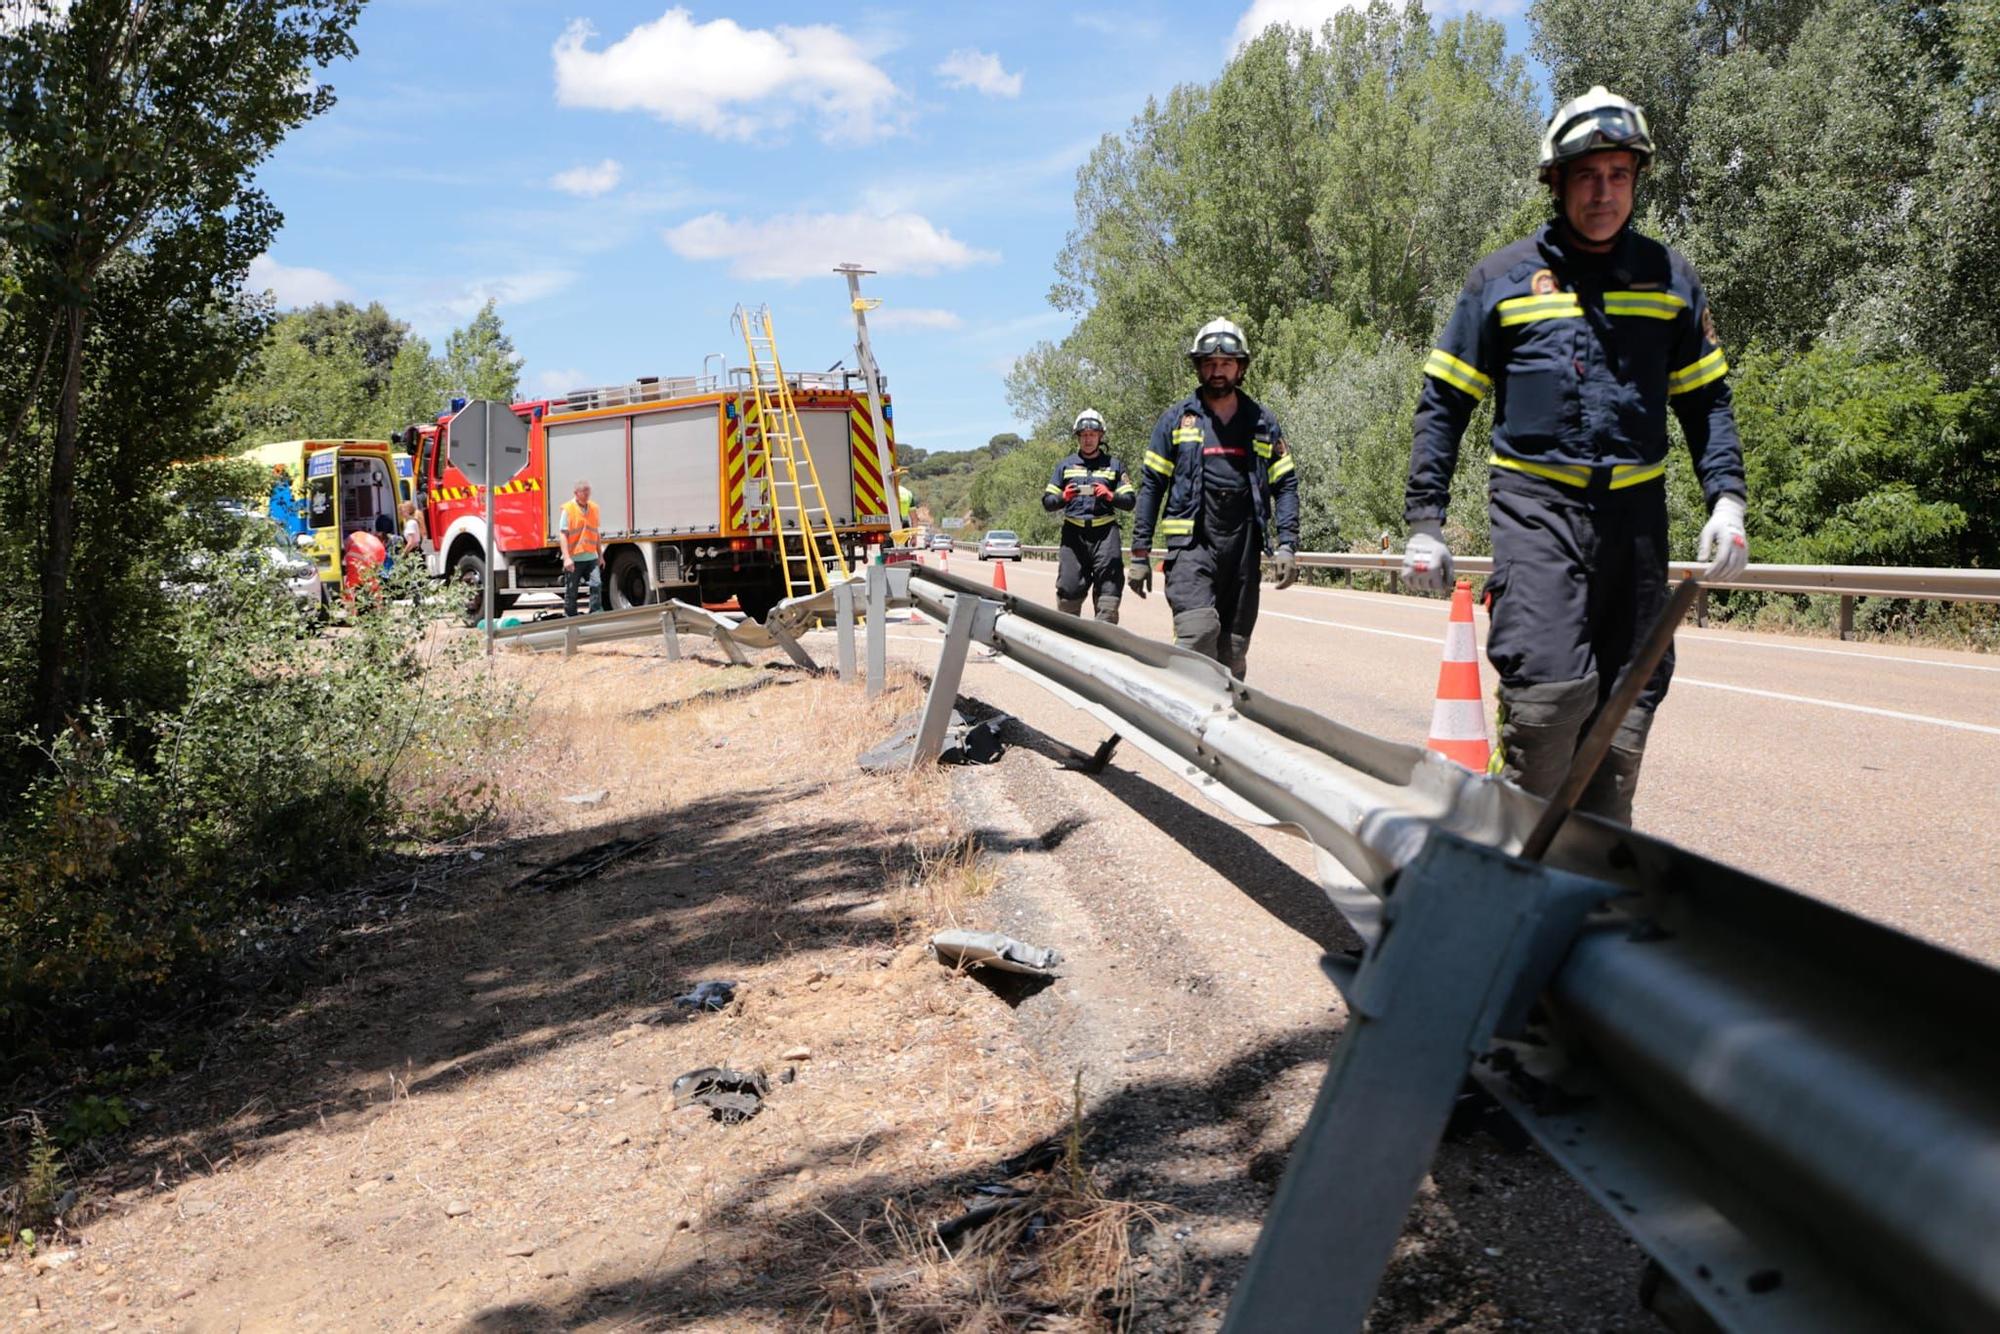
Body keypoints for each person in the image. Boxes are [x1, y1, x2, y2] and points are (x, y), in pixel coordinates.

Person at [1401, 85, 1749, 824]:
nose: (1604, 192)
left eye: (1619, 174)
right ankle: (1513, 849)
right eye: (1587, 175)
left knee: (1629, 701)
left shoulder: (1670, 280)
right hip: (1537, 508)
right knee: (1548, 695)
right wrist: (1425, 521)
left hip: (1636, 517)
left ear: (1637, 179)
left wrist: (1727, 499)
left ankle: (1595, 865)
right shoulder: (1500, 280)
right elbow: (1444, 403)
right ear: (1555, 182)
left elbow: (1706, 402)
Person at [1127, 318, 1300, 678]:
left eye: (1225, 363)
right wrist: (1140, 553)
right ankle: (1178, 708)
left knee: (1233, 655)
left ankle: (1220, 714)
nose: (1217, 371)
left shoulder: (1262, 422)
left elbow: (1285, 485)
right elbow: (1151, 487)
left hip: (1243, 550)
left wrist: (1287, 544)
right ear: (1198, 367)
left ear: (1241, 367)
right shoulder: (1176, 421)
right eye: (1209, 363)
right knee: (1198, 633)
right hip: (1191, 546)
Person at [1042, 409, 1136, 623]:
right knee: (1069, 590)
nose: (1088, 439)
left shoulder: (1114, 466)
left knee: (1109, 590)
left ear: (1100, 436)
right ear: (1078, 437)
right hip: (1073, 536)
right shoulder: (1065, 466)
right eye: (1083, 435)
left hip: (1106, 536)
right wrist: (1064, 497)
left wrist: (1110, 495)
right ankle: (1068, 636)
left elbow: (1130, 502)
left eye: (1092, 435)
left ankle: (1102, 639)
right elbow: (1047, 502)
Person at [559, 479, 603, 617]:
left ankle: (595, 614)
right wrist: (567, 558)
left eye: (588, 492)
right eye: (584, 492)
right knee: (572, 591)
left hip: (591, 557)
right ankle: (570, 617)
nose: (586, 495)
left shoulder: (594, 508)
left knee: (596, 584)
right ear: (576, 493)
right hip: (574, 558)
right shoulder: (568, 510)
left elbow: (596, 533)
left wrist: (600, 555)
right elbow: (563, 535)